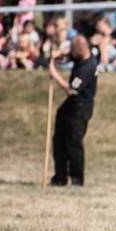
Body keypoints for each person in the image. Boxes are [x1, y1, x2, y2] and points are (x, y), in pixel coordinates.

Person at [47, 35, 99, 186]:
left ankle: (77, 178)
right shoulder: (83, 55)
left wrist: (54, 73)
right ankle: (60, 177)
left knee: (73, 142)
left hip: (80, 108)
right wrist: (59, 54)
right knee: (59, 141)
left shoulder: (88, 68)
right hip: (70, 106)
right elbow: (69, 53)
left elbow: (71, 90)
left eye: (73, 50)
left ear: (81, 50)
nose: (71, 53)